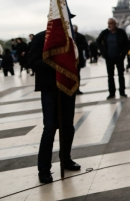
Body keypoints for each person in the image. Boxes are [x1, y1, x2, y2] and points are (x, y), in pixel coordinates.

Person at [28, 30, 80, 184]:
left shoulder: (70, 38)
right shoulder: (40, 38)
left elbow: (77, 61)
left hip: (67, 87)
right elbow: (32, 62)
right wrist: (56, 62)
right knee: (50, 128)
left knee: (68, 127)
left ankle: (66, 159)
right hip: (49, 88)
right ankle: (43, 169)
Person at [96, 18, 128, 99]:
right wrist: (103, 52)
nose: (109, 25)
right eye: (108, 23)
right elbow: (98, 41)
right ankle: (111, 93)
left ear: (115, 24)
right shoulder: (105, 32)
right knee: (110, 76)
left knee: (121, 75)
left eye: (110, 23)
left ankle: (122, 92)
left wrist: (123, 53)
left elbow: (126, 43)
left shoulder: (121, 32)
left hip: (119, 57)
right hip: (109, 57)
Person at [73, 25, 88, 95]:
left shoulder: (80, 37)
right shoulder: (80, 37)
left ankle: (77, 88)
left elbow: (85, 46)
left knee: (77, 74)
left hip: (78, 58)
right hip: (73, 58)